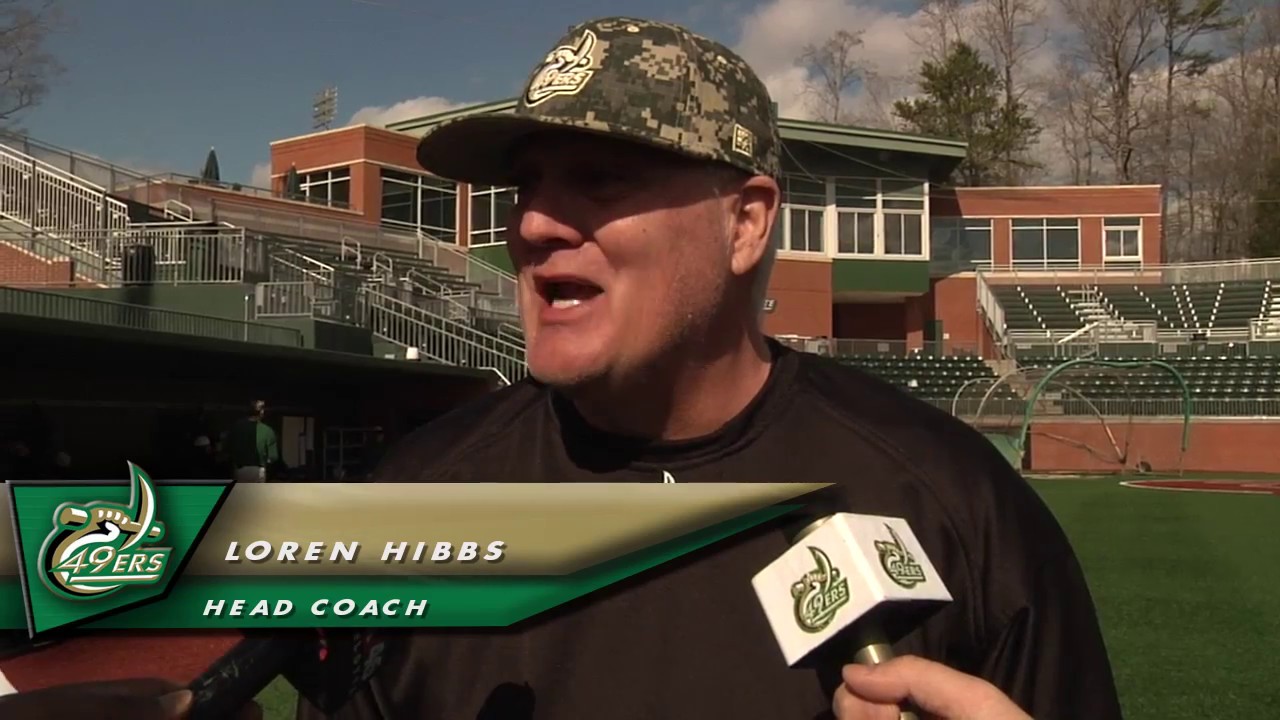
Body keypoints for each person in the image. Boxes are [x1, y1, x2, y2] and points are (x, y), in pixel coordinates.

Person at [9, 16, 1119, 720]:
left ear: (743, 224)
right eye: (526, 186)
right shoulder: (415, 501)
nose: (535, 224)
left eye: (597, 179)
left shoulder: (951, 503)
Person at [225, 400, 279, 483]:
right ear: (261, 412)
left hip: (239, 470)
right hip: (258, 470)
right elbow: (273, 456)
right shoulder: (267, 430)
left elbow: (227, 449)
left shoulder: (236, 427)